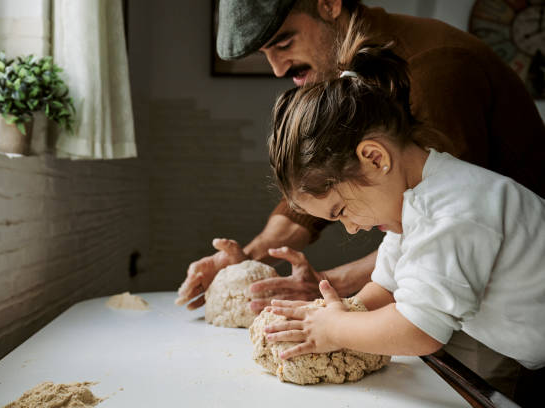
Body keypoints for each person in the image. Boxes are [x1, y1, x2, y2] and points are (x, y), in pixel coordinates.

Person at [175, 0, 545, 314]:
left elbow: (430, 232)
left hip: (515, 303)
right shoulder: (351, 73)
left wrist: (323, 288)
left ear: (329, 3)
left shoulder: (435, 71)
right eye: (265, 54)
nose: (278, 69)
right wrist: (249, 262)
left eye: (284, 42)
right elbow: (325, 183)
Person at [264, 25, 545, 407]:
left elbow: (419, 331)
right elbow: (387, 287)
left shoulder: (453, 211)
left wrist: (336, 329)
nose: (351, 226)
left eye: (342, 210)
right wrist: (340, 310)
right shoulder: (414, 202)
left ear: (375, 158)